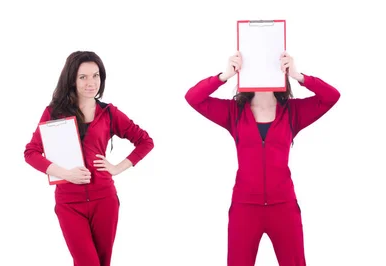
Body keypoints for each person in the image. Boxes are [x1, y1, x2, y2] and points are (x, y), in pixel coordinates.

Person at [185, 51, 340, 265]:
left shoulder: (293, 112)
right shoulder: (234, 112)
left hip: (284, 207)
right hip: (244, 207)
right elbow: (193, 98)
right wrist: (224, 75)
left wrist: (298, 75)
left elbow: (332, 96)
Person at [24, 51, 154, 266]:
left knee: (102, 263)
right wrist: (66, 174)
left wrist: (117, 167)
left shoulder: (109, 112)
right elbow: (31, 152)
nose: (91, 82)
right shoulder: (54, 113)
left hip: (104, 200)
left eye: (96, 76)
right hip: (69, 203)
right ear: (72, 80)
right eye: (83, 77)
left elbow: (145, 141)